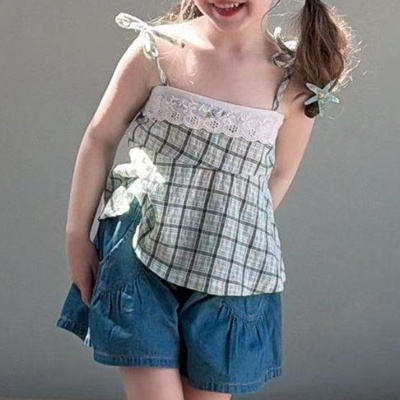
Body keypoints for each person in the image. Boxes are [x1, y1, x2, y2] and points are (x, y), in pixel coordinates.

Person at [56, 1, 358, 398]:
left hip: (228, 269)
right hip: (139, 253)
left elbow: (280, 173)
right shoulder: (157, 49)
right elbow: (101, 137)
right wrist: (76, 235)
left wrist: (236, 231)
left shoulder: (296, 81)